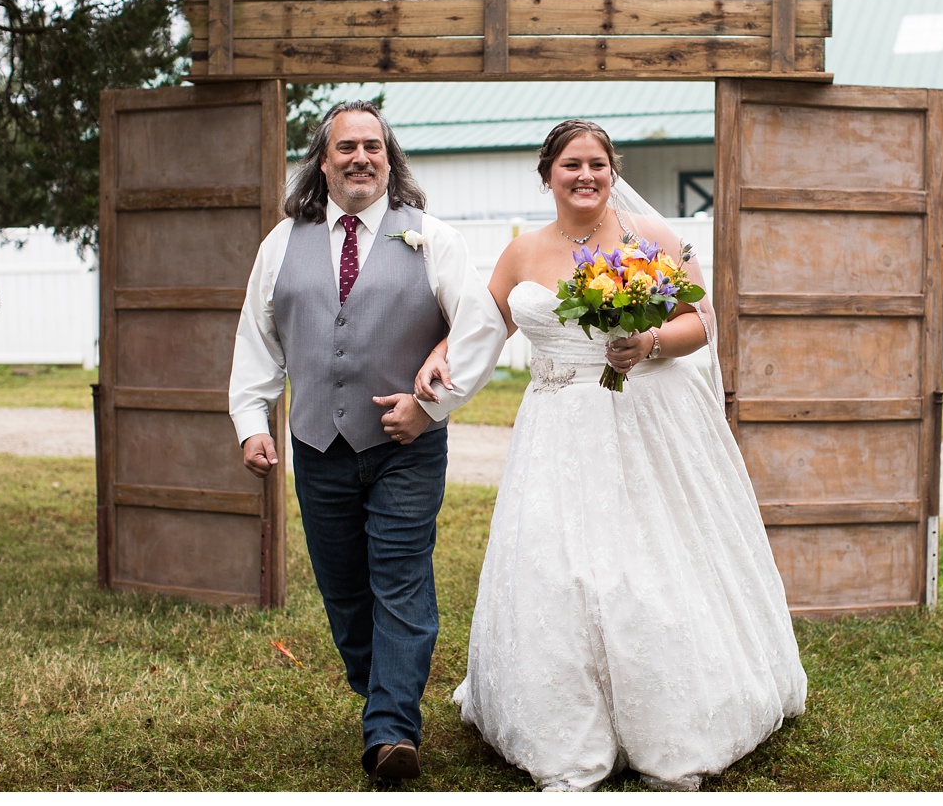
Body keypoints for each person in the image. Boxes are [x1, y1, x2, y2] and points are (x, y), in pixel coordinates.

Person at [414, 119, 806, 791]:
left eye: (597, 162)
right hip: (557, 427)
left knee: (655, 556)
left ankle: (674, 710)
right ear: (548, 175)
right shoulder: (521, 253)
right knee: (557, 562)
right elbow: (483, 327)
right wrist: (437, 356)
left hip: (648, 419)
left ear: (612, 169)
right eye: (572, 164)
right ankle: (566, 718)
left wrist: (649, 341)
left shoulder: (651, 239)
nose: (586, 174)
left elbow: (700, 322)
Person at [227, 101, 505, 780]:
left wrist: (430, 411)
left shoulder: (431, 236)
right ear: (323, 161)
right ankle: (380, 690)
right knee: (345, 592)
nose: (361, 158)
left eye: (373, 147)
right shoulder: (280, 243)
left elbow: (480, 329)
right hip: (317, 446)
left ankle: (391, 730)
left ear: (389, 158)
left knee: (401, 581)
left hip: (404, 449)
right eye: (346, 146)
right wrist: (250, 422)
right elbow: (258, 338)